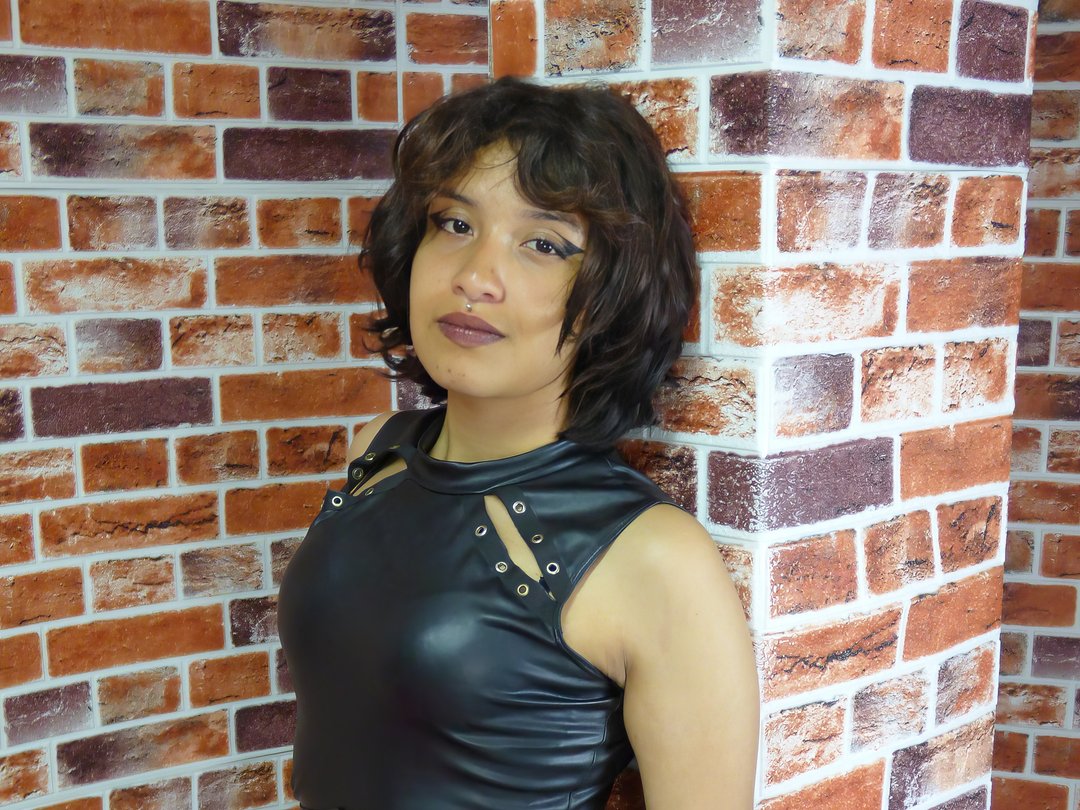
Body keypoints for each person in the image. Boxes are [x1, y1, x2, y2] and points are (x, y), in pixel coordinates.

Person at [277, 76, 759, 810]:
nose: (475, 278)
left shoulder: (656, 559)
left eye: (543, 244)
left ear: (613, 295)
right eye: (454, 223)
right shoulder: (376, 452)